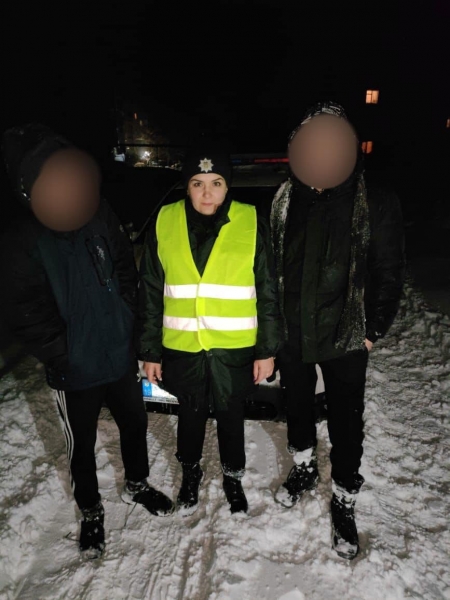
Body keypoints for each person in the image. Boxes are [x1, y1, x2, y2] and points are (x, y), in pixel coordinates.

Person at [0, 124, 174, 559]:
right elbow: (24, 311)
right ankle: (91, 510)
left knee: (134, 424)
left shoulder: (99, 212)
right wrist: (66, 353)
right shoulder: (23, 237)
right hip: (75, 369)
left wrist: (128, 323)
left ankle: (136, 484)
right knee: (81, 444)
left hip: (118, 353)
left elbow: (125, 268)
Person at [268, 102, 405, 559]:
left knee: (346, 422)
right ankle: (304, 466)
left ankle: (344, 496)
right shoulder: (285, 199)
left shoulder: (374, 200)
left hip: (346, 335)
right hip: (293, 332)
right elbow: (271, 266)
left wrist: (371, 331)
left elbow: (389, 271)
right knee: (297, 406)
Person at [136, 141, 283, 515]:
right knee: (190, 414)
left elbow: (267, 290)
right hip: (182, 345)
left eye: (216, 183)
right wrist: (150, 351)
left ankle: (233, 478)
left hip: (234, 347)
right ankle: (190, 475)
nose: (207, 193)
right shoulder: (164, 220)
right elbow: (150, 289)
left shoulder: (251, 221)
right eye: (197, 183)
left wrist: (267, 350)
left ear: (227, 185)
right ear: (187, 186)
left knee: (232, 414)